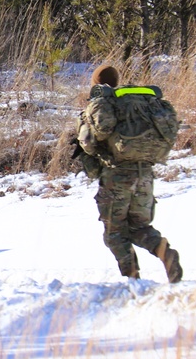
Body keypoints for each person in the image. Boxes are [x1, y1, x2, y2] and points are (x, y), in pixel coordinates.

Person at [75, 65, 183, 282]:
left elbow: (89, 141)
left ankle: (132, 279)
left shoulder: (104, 104)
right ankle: (166, 253)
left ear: (96, 83)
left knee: (114, 233)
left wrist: (88, 145)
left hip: (117, 176)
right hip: (145, 173)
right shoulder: (141, 103)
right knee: (139, 227)